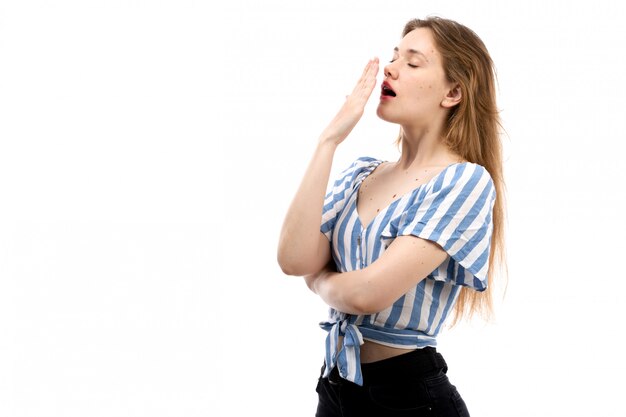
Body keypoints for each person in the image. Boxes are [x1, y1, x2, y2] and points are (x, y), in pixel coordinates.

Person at [277, 16, 506, 417]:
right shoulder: (362, 172)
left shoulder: (464, 182)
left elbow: (368, 294)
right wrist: (328, 141)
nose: (391, 66)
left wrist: (320, 281)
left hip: (410, 398)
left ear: (453, 92)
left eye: (413, 63)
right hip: (335, 387)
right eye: (395, 56)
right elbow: (293, 259)